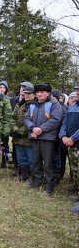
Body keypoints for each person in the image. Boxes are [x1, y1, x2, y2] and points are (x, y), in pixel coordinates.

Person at [24, 83, 62, 195]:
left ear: (48, 93)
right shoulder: (32, 104)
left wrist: (41, 129)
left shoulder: (54, 104)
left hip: (47, 137)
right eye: (38, 92)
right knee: (36, 160)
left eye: (43, 92)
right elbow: (26, 118)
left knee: (48, 162)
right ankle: (37, 180)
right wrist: (32, 128)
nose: (40, 94)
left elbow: (55, 119)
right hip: (35, 137)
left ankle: (49, 184)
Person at [59, 80, 79, 208]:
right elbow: (65, 123)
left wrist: (73, 138)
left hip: (75, 141)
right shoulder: (73, 106)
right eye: (77, 89)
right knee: (75, 170)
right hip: (72, 145)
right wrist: (63, 136)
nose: (77, 92)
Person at [11, 85, 35, 181]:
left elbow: (33, 120)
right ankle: (23, 174)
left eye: (29, 94)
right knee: (21, 158)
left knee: (31, 158)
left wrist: (22, 131)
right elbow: (12, 118)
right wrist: (15, 129)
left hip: (29, 138)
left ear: (34, 94)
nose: (27, 95)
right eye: (25, 93)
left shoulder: (36, 105)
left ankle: (33, 176)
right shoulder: (19, 105)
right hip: (18, 138)